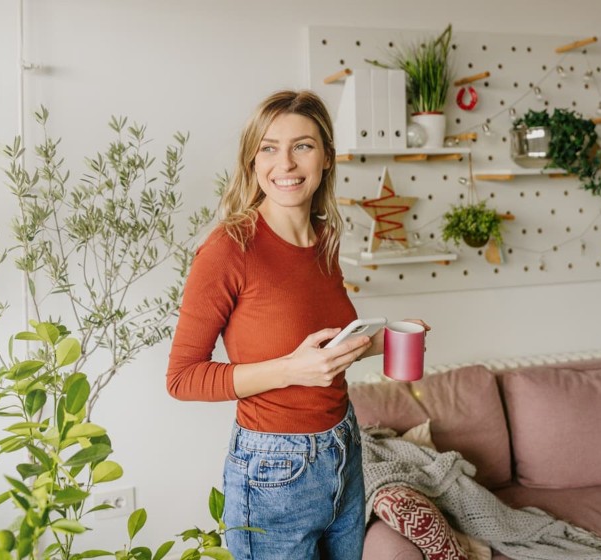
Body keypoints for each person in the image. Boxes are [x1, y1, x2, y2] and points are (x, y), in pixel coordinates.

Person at [165, 89, 428, 559]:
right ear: (252, 160)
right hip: (273, 470)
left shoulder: (323, 240)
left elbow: (325, 350)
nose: (284, 163)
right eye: (269, 147)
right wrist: (291, 369)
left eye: (302, 146)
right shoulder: (229, 249)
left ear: (326, 157)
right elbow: (182, 378)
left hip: (344, 448)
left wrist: (386, 339)